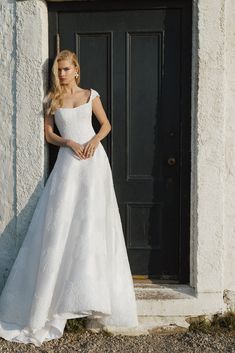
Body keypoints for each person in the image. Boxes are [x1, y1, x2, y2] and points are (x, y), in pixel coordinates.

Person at [0, 50, 139, 346]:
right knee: (61, 223)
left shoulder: (90, 95)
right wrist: (69, 142)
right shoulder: (53, 99)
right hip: (68, 162)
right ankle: (51, 301)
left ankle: (95, 300)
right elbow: (49, 134)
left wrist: (91, 142)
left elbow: (106, 125)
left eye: (65, 69)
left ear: (76, 69)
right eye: (57, 70)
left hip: (93, 163)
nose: (61, 74)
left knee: (93, 224)